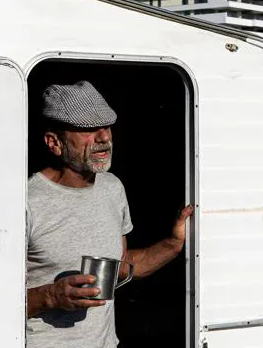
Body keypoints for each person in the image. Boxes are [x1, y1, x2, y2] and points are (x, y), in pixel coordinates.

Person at [26, 80, 193, 347]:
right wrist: (51, 296)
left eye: (106, 126)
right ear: (54, 142)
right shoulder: (25, 201)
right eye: (89, 129)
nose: (104, 137)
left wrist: (173, 244)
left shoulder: (112, 187)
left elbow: (122, 265)